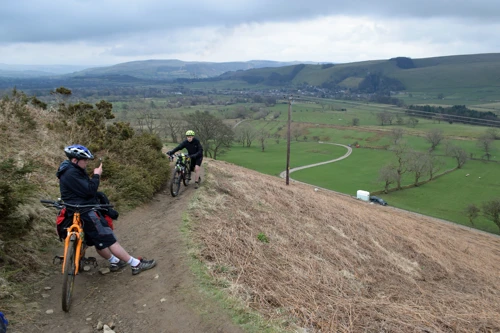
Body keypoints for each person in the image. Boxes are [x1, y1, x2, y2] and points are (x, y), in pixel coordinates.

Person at [56, 144, 156, 275]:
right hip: (84, 211)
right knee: (108, 239)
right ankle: (135, 264)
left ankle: (114, 261)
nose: (86, 163)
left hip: (73, 210)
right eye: (84, 160)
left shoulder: (67, 169)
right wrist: (97, 175)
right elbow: (90, 190)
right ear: (75, 160)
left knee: (98, 241)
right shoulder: (72, 173)